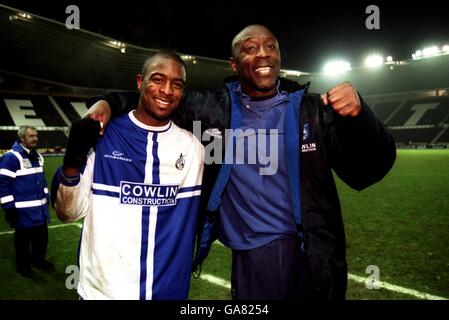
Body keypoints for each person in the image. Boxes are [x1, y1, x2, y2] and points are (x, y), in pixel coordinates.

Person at [86, 25, 396, 300]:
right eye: (250, 49)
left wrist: (361, 117)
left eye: (270, 46)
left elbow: (368, 171)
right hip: (253, 257)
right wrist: (108, 103)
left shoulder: (312, 111)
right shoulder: (209, 111)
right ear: (234, 64)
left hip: (314, 254)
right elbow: (154, 100)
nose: (263, 55)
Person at [51, 51, 205, 300]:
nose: (167, 91)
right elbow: (67, 213)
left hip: (168, 294)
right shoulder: (103, 137)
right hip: (102, 294)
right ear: (139, 82)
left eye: (177, 85)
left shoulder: (193, 148)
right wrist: (72, 162)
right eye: (157, 79)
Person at [0, 126, 53, 278]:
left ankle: (38, 261)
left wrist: (46, 199)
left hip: (40, 209)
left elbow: (40, 181)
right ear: (22, 138)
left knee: (41, 238)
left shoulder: (37, 156)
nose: (35, 139)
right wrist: (9, 208)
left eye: (36, 136)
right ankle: (23, 266)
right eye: (31, 136)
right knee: (23, 241)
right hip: (22, 211)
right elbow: (3, 184)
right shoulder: (11, 157)